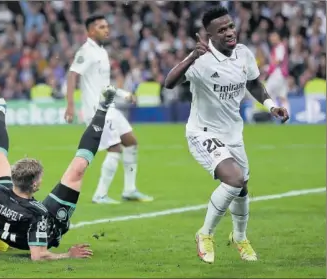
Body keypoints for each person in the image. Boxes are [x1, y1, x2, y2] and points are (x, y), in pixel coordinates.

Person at [164, 6, 289, 264]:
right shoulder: (201, 58)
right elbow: (169, 82)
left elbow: (254, 83)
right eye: (222, 30)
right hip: (203, 132)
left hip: (233, 133)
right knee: (234, 179)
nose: (230, 32)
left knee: (241, 188)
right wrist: (190, 58)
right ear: (209, 35)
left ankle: (240, 237)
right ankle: (205, 234)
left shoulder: (243, 54)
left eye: (230, 26)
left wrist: (270, 105)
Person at [0, 84, 116, 261]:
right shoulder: (39, 214)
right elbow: (38, 256)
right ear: (34, 184)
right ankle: (103, 108)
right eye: (40, 178)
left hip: (18, 210)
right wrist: (68, 255)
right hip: (50, 225)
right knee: (78, 169)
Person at [64, 14, 153, 204]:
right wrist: (70, 105)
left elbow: (103, 86)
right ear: (90, 31)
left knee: (131, 142)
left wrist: (123, 94)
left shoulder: (102, 52)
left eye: (107, 26)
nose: (107, 30)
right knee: (115, 148)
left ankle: (129, 190)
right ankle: (100, 194)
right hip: (97, 110)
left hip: (108, 106)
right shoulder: (86, 51)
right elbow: (72, 75)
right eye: (101, 27)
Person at [266, 31, 290, 114]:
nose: (271, 39)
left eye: (273, 37)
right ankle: (286, 116)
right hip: (282, 75)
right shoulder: (277, 47)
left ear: (278, 37)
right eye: (271, 37)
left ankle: (276, 112)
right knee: (282, 96)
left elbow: (278, 61)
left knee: (267, 92)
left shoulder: (280, 47)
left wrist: (267, 69)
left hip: (278, 74)